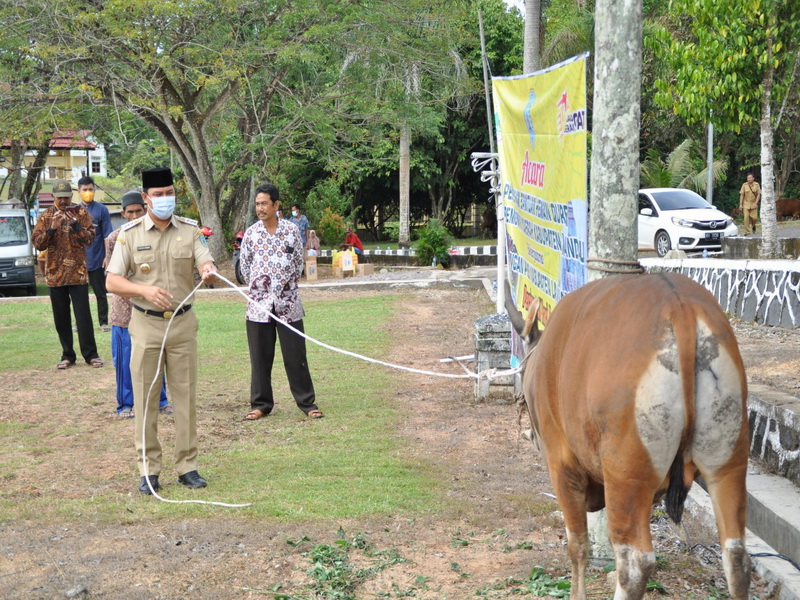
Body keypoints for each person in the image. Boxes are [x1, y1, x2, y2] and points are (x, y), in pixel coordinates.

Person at [106, 167, 218, 495]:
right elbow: (111, 280)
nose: (165, 198)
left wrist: (208, 270)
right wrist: (143, 291)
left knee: (184, 396)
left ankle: (187, 466)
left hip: (182, 324)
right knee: (146, 398)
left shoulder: (190, 231)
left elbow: (204, 262)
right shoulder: (129, 234)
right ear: (145, 198)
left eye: (169, 192)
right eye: (158, 194)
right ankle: (149, 470)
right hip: (145, 324)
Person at [239, 182, 322, 421]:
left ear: (276, 205)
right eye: (257, 204)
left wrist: (283, 287)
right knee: (260, 357)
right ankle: (261, 404)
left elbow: (298, 263)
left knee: (296, 356)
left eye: (265, 203)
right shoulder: (252, 234)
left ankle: (307, 403)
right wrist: (262, 287)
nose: (260, 208)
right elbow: (245, 268)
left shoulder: (291, 230)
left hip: (288, 304)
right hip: (258, 306)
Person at [105, 191, 171, 420]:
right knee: (125, 360)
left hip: (152, 309)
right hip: (125, 311)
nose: (134, 215)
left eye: (138, 211)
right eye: (129, 212)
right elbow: (113, 278)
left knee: (156, 356)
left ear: (145, 209)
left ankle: (160, 400)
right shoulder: (115, 238)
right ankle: (126, 403)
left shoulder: (156, 235)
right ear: (123, 214)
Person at [32, 179, 104, 370]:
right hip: (55, 275)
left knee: (83, 316)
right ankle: (67, 355)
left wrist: (76, 226)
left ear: (72, 197)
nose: (64, 201)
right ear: (52, 197)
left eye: (67, 197)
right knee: (61, 317)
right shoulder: (45, 216)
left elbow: (89, 239)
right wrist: (52, 228)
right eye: (60, 198)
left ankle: (91, 355)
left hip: (78, 273)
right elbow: (38, 244)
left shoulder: (81, 213)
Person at [78, 176, 113, 332]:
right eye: (84, 190)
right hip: (78, 262)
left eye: (90, 189)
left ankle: (103, 322)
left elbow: (108, 235)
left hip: (97, 259)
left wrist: (107, 256)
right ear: (79, 191)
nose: (88, 192)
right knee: (80, 296)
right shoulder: (74, 210)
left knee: (101, 293)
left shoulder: (102, 210)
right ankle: (81, 324)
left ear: (94, 190)